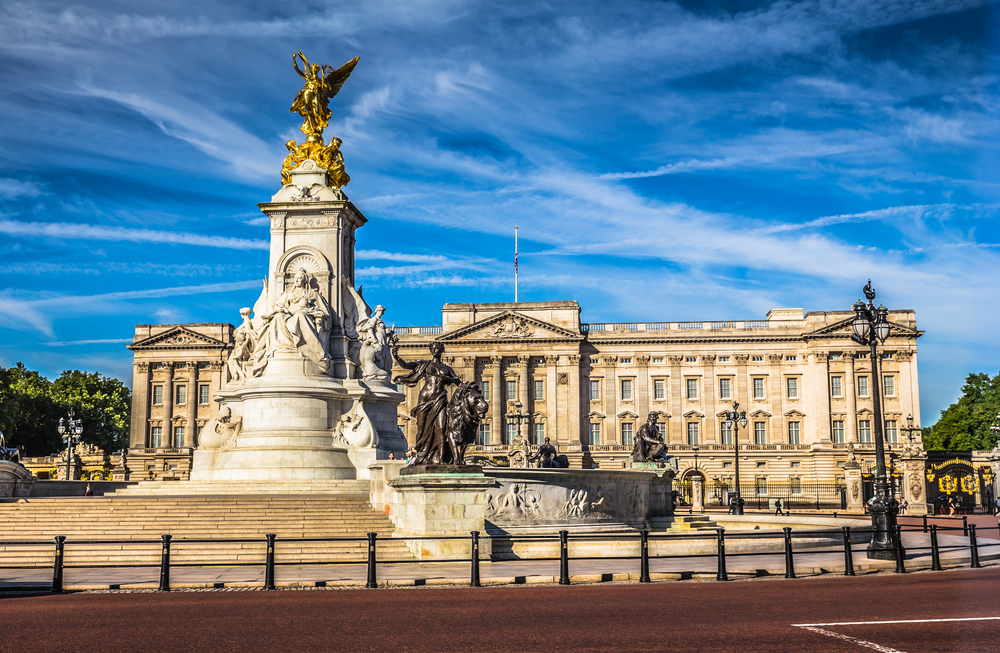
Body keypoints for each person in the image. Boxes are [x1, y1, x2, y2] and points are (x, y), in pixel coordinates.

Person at [392, 342, 462, 465]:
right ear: (431, 350)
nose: (436, 350)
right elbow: (407, 365)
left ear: (441, 351)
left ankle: (440, 458)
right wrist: (397, 357)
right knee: (422, 428)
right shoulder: (425, 364)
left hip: (440, 398)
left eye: (438, 348)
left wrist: (452, 381)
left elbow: (460, 384)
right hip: (425, 399)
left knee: (441, 428)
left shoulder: (447, 368)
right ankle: (421, 454)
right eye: (434, 348)